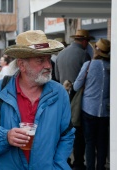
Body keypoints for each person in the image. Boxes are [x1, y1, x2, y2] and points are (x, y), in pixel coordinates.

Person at [0, 30, 75, 170]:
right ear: (22, 65)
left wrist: (57, 166)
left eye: (48, 59)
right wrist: (6, 137)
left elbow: (67, 135)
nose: (48, 66)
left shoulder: (59, 93)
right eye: (40, 60)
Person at [55, 29, 94, 170]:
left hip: (62, 96)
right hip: (79, 99)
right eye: (87, 41)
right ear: (84, 41)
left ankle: (64, 160)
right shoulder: (85, 55)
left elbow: (57, 77)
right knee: (78, 132)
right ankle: (78, 162)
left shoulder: (61, 54)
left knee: (63, 130)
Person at [73, 38, 110, 170]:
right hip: (105, 112)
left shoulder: (88, 65)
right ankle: (100, 167)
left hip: (88, 110)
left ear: (96, 51)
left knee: (89, 142)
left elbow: (76, 86)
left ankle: (90, 168)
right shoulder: (110, 67)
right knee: (102, 143)